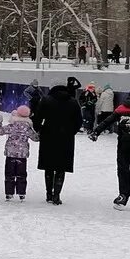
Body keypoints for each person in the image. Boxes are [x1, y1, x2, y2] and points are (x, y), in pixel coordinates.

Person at [90, 87, 130, 209]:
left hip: (123, 144)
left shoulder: (121, 108)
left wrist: (96, 132)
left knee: (123, 170)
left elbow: (107, 121)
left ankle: (123, 195)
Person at [32, 76, 83, 205]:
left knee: (49, 166)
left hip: (48, 135)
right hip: (66, 138)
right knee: (61, 167)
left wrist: (39, 129)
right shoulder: (73, 101)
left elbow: (37, 118)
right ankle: (57, 195)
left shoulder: (46, 100)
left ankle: (49, 194)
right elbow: (78, 121)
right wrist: (71, 132)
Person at [0, 105, 39, 200]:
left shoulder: (12, 125)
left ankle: (9, 193)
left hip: (10, 154)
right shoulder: (28, 128)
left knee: (9, 174)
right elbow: (35, 138)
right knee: (21, 174)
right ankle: (21, 193)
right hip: (22, 155)